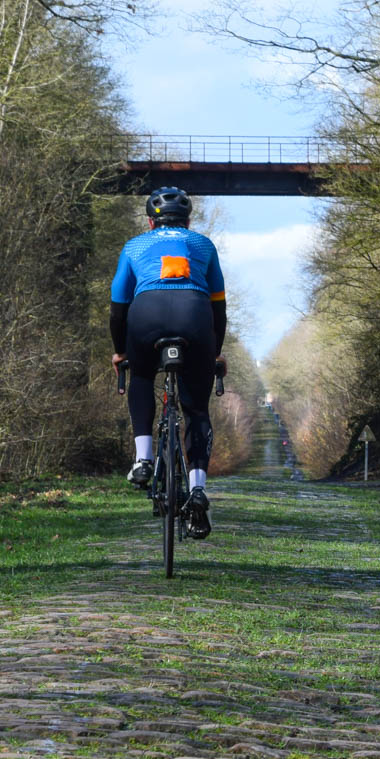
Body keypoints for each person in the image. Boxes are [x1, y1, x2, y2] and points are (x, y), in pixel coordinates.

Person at [108, 186, 226, 537]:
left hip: (147, 316)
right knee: (196, 410)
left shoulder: (135, 245)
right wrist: (214, 352)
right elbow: (218, 307)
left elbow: (118, 307)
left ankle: (144, 460)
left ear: (150, 221)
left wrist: (121, 351)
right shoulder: (203, 244)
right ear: (188, 220)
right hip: (196, 316)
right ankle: (198, 488)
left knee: (142, 377)